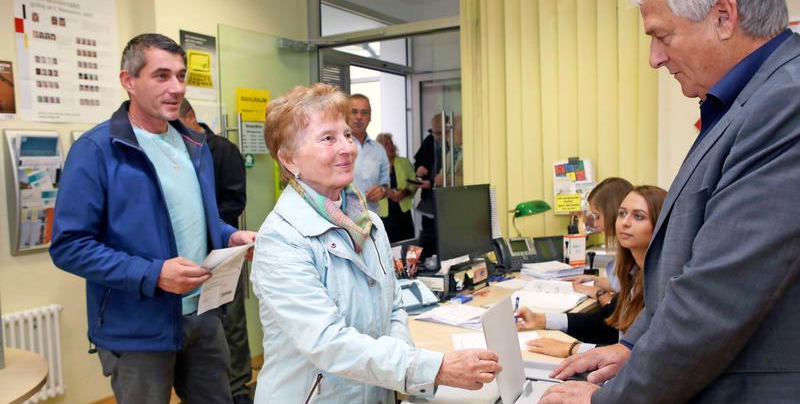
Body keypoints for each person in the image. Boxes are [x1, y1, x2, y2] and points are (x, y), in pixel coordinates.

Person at [543, 0, 800, 403]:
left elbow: (718, 294)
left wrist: (606, 400)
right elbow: (687, 265)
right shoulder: (745, 102)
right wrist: (633, 349)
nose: (654, 58)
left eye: (662, 36)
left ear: (724, 16)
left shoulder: (786, 102)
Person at [251, 83, 502, 403]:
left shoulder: (369, 223)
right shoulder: (282, 240)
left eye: (346, 135)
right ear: (290, 160)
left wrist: (406, 369)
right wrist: (431, 369)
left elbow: (394, 307)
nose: (347, 147)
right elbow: (328, 343)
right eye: (328, 138)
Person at [49, 33, 256, 404]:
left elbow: (197, 220)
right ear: (128, 81)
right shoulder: (96, 151)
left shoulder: (195, 146)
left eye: (181, 76)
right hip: (138, 330)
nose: (176, 87)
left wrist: (228, 237)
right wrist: (154, 274)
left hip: (203, 316)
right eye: (162, 76)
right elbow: (69, 247)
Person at [519, 186, 666, 358]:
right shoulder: (634, 274)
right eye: (622, 213)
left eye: (638, 216)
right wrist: (540, 319)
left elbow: (636, 355)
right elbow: (608, 322)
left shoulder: (660, 285)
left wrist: (573, 349)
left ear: (659, 225)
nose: (625, 222)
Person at [179, 100, 252, 404]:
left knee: (232, 324)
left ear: (191, 117)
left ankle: (239, 390)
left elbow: (235, 201)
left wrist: (209, 227)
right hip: (190, 262)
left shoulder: (222, 149)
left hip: (224, 252)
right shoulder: (177, 152)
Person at [413, 113, 448, 257]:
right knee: (428, 236)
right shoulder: (429, 140)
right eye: (433, 132)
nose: (436, 137)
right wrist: (419, 169)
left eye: (439, 133)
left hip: (446, 200)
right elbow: (417, 163)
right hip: (429, 200)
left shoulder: (452, 144)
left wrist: (433, 183)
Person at [349, 93, 390, 215]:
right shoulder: (336, 147)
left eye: (364, 112)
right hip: (343, 222)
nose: (359, 117)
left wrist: (382, 191)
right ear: (345, 115)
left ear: (370, 117)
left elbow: (386, 186)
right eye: (354, 112)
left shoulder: (378, 149)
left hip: (372, 219)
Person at [375, 132, 417, 243]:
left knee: (408, 246)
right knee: (388, 248)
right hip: (384, 215)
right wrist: (387, 193)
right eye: (386, 144)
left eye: (391, 143)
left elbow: (414, 182)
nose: (390, 146)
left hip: (403, 213)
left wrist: (406, 192)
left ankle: (411, 261)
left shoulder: (404, 162)